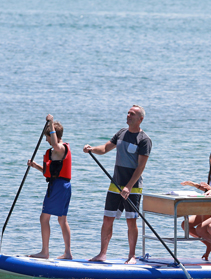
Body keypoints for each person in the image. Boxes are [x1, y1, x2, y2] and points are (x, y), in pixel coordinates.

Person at [83, 105, 151, 264]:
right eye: (128, 113)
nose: (128, 115)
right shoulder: (121, 133)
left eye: (132, 114)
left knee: (131, 221)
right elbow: (106, 148)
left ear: (140, 119)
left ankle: (132, 256)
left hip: (133, 186)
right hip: (115, 184)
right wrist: (92, 149)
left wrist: (128, 186)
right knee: (107, 219)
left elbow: (141, 167)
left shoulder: (144, 140)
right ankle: (102, 254)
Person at [27, 114, 73, 260]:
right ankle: (67, 253)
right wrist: (35, 166)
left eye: (48, 136)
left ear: (54, 135)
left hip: (60, 187)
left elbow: (55, 144)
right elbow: (50, 172)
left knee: (44, 218)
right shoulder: (52, 152)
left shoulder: (61, 148)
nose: (46, 139)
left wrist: (51, 123)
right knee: (61, 220)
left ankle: (45, 252)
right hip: (58, 185)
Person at [180, 148, 211, 260]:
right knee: (186, 225)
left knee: (202, 222)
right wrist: (194, 185)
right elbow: (209, 190)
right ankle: (210, 244)